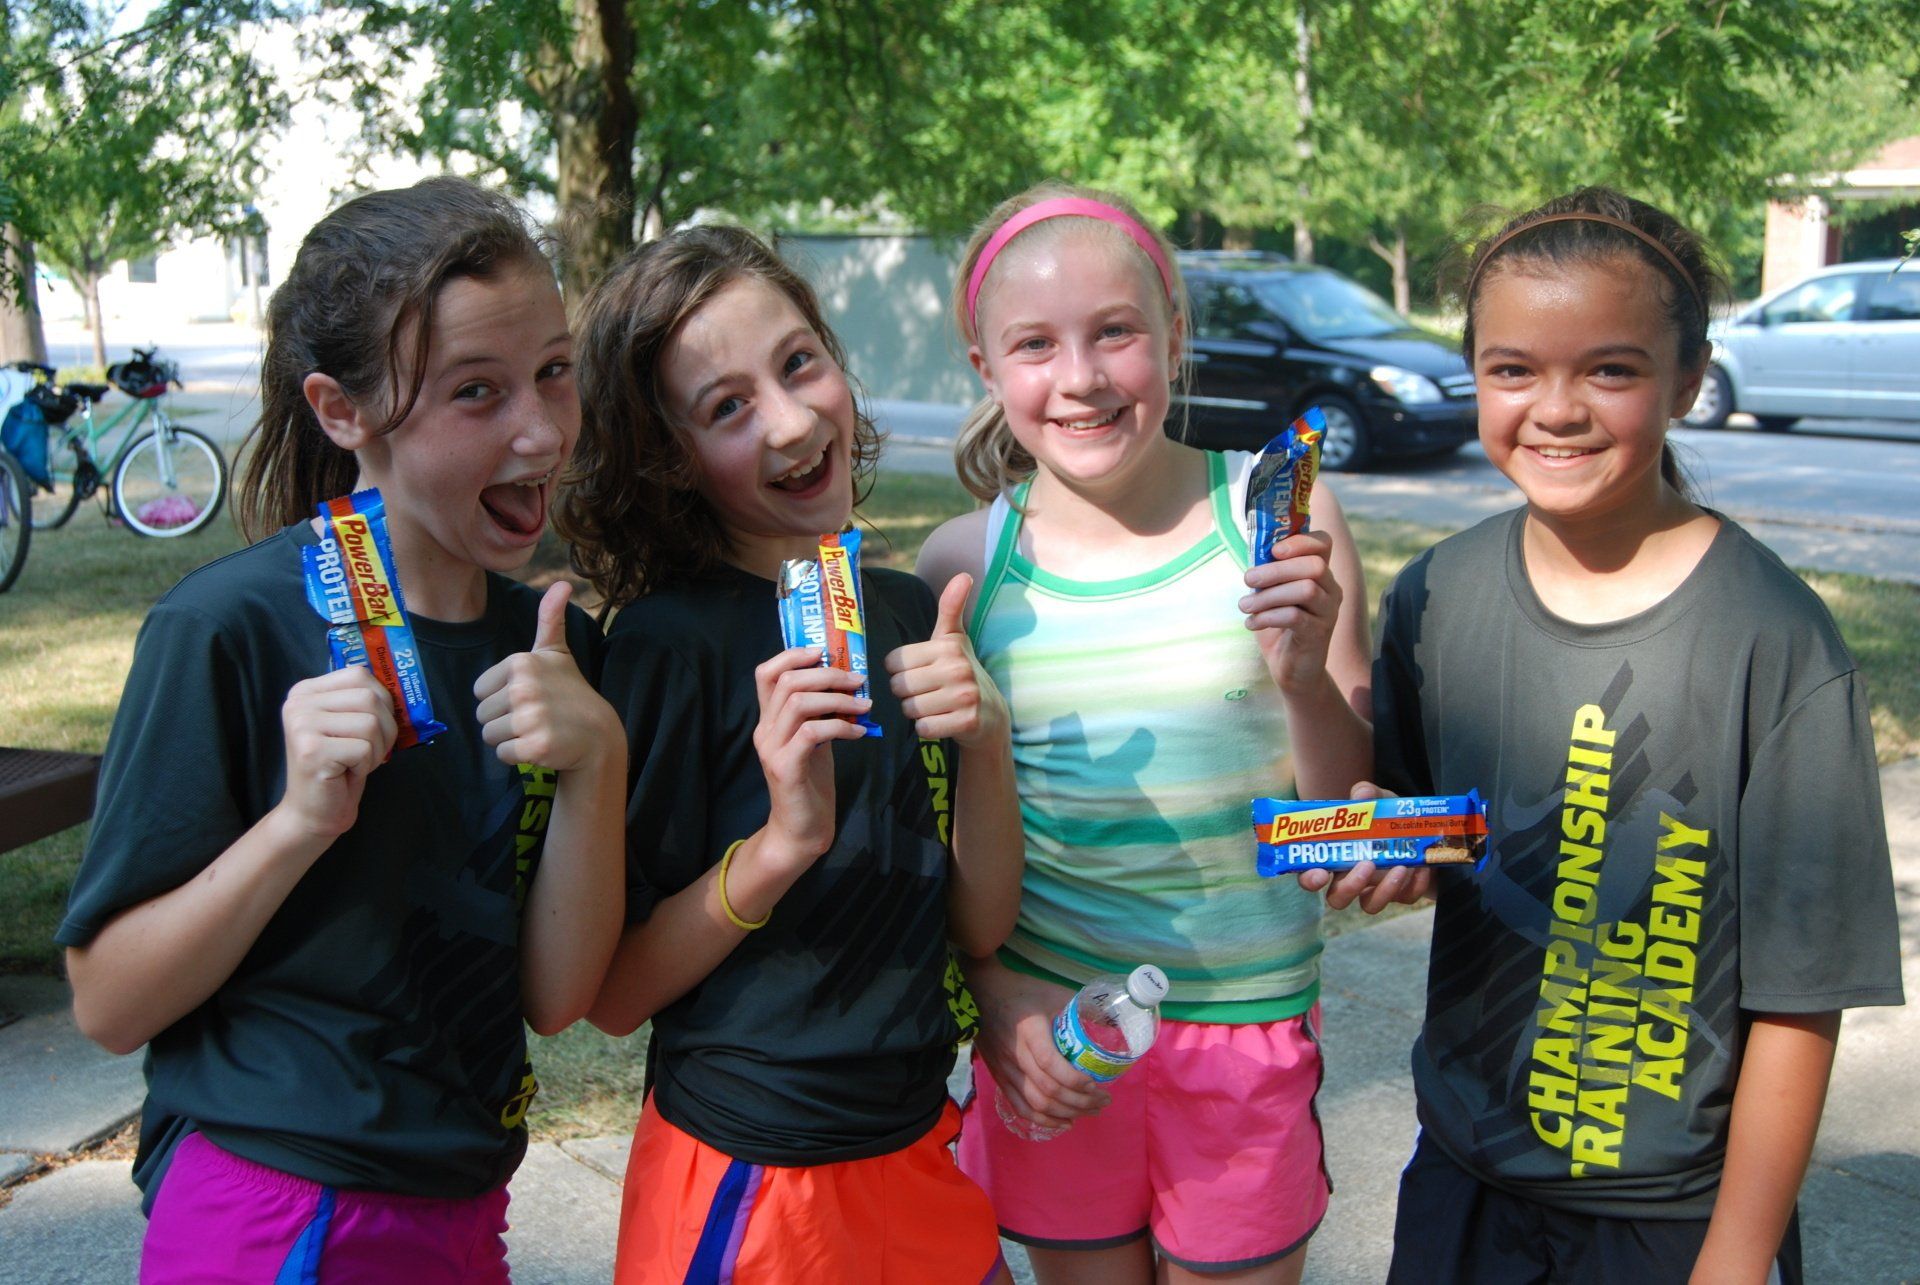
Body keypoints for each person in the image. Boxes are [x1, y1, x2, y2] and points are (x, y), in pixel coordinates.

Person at [58, 177, 628, 1283]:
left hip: (462, 1200)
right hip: (275, 1207)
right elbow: (108, 1000)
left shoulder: (554, 646)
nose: (539, 429)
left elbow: (556, 1000)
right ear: (340, 410)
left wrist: (595, 760)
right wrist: (297, 820)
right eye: (476, 392)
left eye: (554, 372)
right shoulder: (227, 629)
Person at [1372, 186, 1906, 1284]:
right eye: (1511, 368)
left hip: (1672, 1222)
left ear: (1689, 380)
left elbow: (1802, 999)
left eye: (1609, 369)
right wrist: (1373, 838)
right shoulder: (1436, 594)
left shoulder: (1776, 640)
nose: (1555, 408)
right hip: (1464, 1188)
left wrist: (1737, 1257)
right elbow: (1417, 844)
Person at [918, 182, 1409, 1285]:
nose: (1081, 377)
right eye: (1035, 344)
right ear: (984, 368)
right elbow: (940, 851)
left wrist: (1303, 681)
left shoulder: (1279, 519)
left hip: (1243, 1036)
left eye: (1116, 332)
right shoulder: (961, 566)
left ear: (1176, 335)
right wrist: (998, 1005)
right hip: (1059, 1039)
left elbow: (1338, 806)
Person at [556, 224, 1023, 1285]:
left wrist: (983, 740)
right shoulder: (666, 648)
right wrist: (784, 840)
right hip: (754, 1182)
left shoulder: (906, 610)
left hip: (918, 1149)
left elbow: (976, 922)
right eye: (728, 407)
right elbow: (614, 993)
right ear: (671, 458)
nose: (794, 418)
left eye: (800, 362)